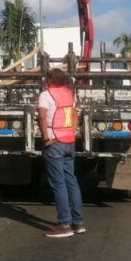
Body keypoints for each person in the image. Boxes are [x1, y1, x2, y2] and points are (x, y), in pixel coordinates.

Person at [37, 68, 85, 238]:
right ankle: (78, 222)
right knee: (71, 180)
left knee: (58, 183)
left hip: (54, 142)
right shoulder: (68, 93)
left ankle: (64, 224)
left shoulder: (46, 95)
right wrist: (70, 132)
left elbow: (42, 117)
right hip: (69, 141)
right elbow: (74, 116)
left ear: (50, 80)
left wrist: (46, 138)